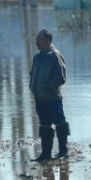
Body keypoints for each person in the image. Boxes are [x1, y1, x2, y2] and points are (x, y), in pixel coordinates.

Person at [29, 29, 70, 161]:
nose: (36, 41)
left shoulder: (55, 56)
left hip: (53, 98)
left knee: (60, 123)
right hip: (40, 98)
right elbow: (32, 75)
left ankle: (63, 152)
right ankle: (46, 154)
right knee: (44, 125)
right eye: (36, 39)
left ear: (47, 41)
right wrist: (33, 87)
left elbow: (61, 78)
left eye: (38, 39)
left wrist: (47, 86)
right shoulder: (37, 57)